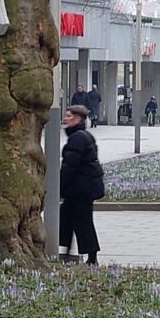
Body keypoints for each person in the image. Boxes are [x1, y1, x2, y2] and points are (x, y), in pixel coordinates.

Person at [57, 104, 103, 264]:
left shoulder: (77, 138)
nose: (65, 119)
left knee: (82, 221)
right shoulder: (83, 135)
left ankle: (91, 257)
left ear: (78, 119)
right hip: (80, 187)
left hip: (80, 189)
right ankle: (66, 251)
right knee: (67, 218)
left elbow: (70, 166)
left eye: (69, 116)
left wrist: (60, 187)